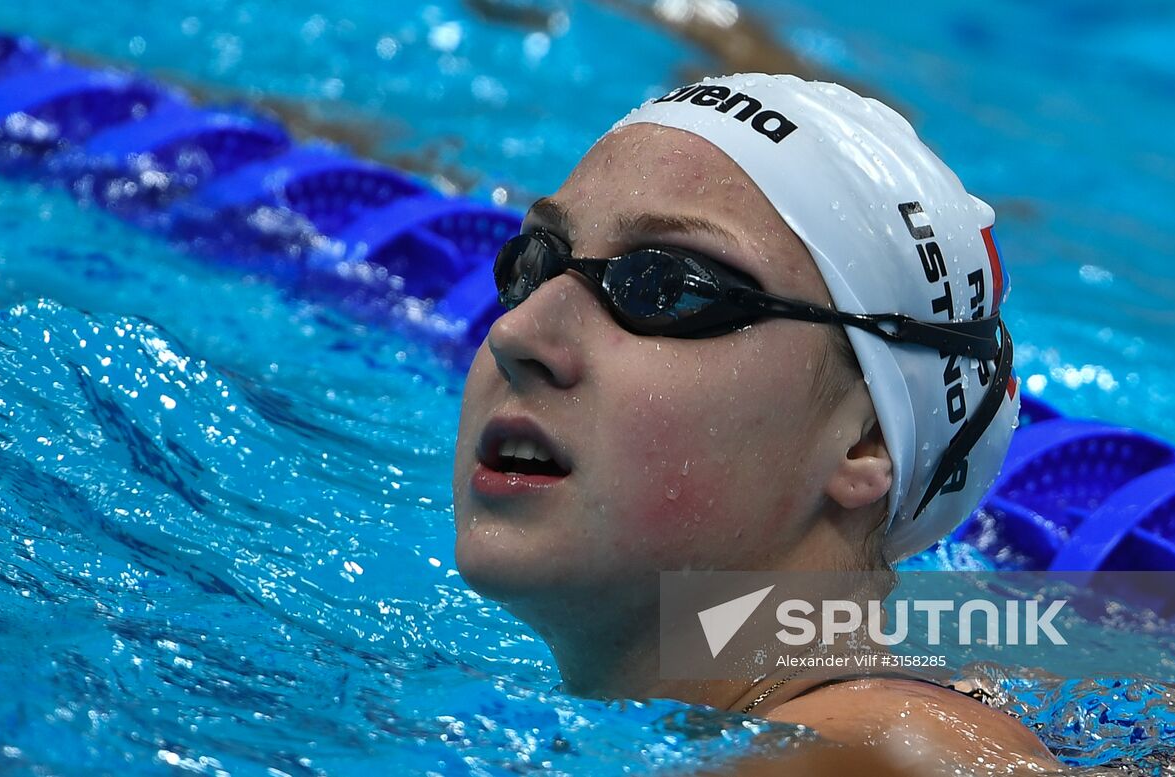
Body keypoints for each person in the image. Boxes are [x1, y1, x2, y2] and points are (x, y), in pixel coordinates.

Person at [451, 73, 1058, 774]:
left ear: (865, 440)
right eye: (534, 266)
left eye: (666, 287)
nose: (517, 332)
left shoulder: (878, 750)